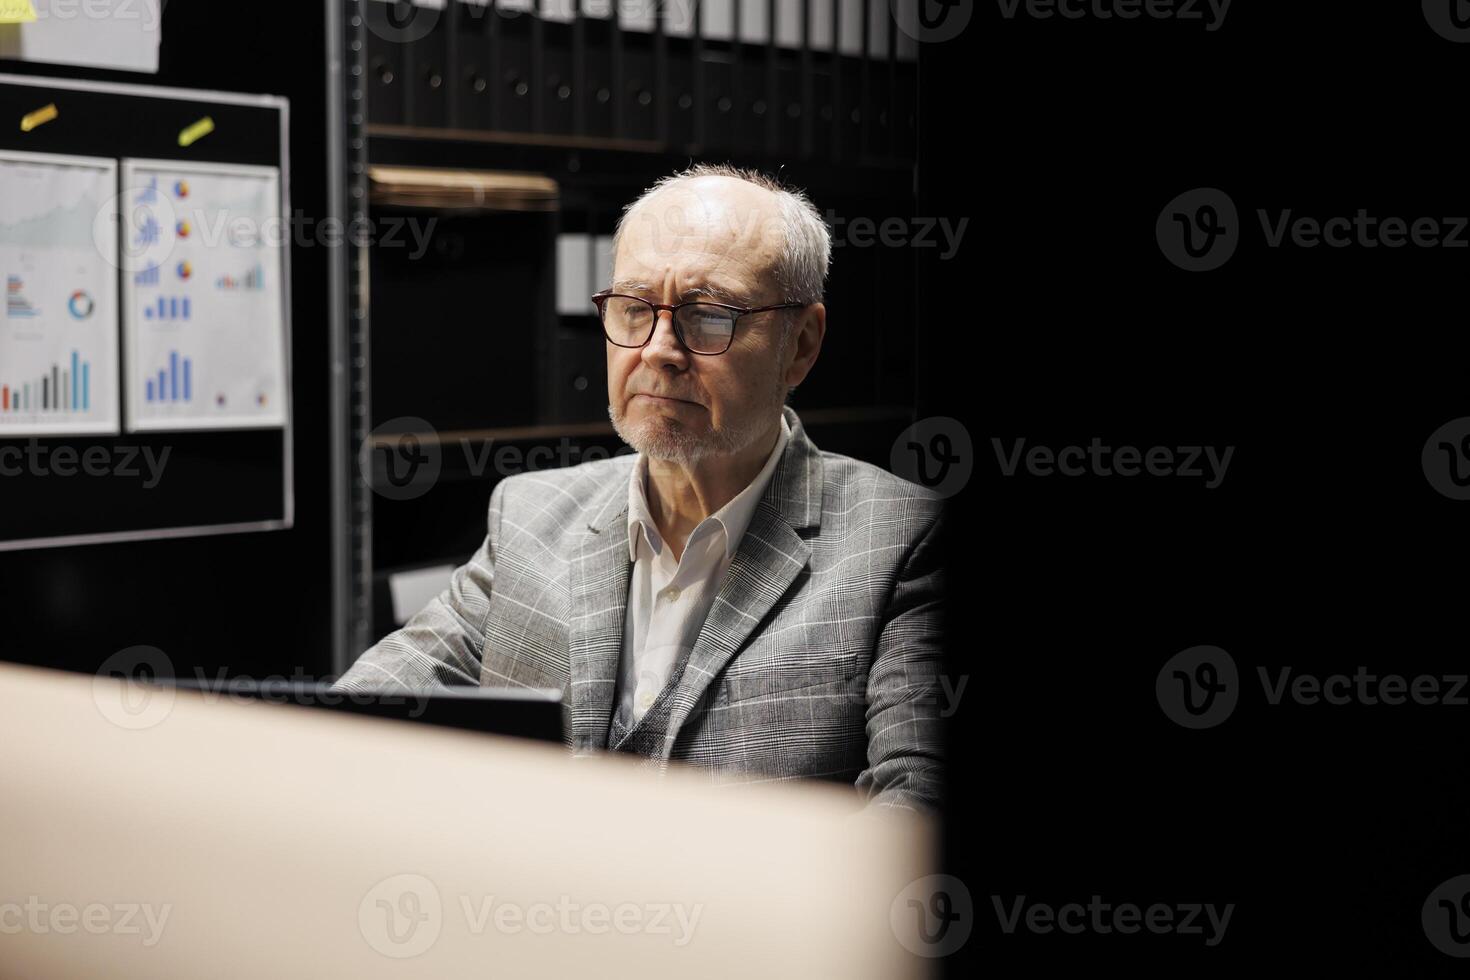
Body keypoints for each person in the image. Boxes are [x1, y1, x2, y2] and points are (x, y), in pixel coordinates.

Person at [337, 164, 946, 811]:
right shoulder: (530, 514)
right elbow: (357, 713)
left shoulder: (901, 542)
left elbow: (915, 813)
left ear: (801, 345)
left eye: (708, 317)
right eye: (633, 309)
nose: (657, 350)